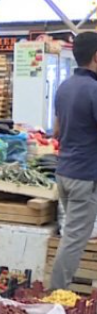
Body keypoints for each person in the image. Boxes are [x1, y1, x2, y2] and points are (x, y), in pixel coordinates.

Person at [50, 32, 97, 290]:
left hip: (65, 172)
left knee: (72, 234)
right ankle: (56, 295)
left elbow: (56, 131)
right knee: (74, 239)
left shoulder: (65, 86)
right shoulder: (93, 89)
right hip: (84, 175)